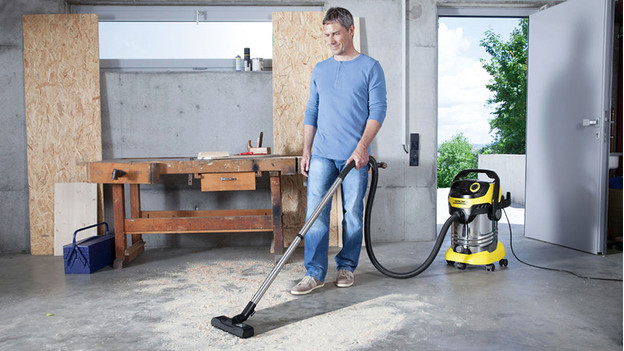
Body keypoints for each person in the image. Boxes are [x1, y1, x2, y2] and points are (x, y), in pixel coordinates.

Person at [291, 7, 387, 295]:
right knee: (315, 215)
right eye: (327, 35)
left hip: (354, 158)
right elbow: (313, 110)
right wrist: (306, 149)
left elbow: (378, 110)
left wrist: (362, 148)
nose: (331, 39)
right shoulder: (320, 69)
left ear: (350, 30)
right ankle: (314, 273)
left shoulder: (371, 67)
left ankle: (346, 266)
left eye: (336, 33)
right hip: (321, 153)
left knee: (353, 214)